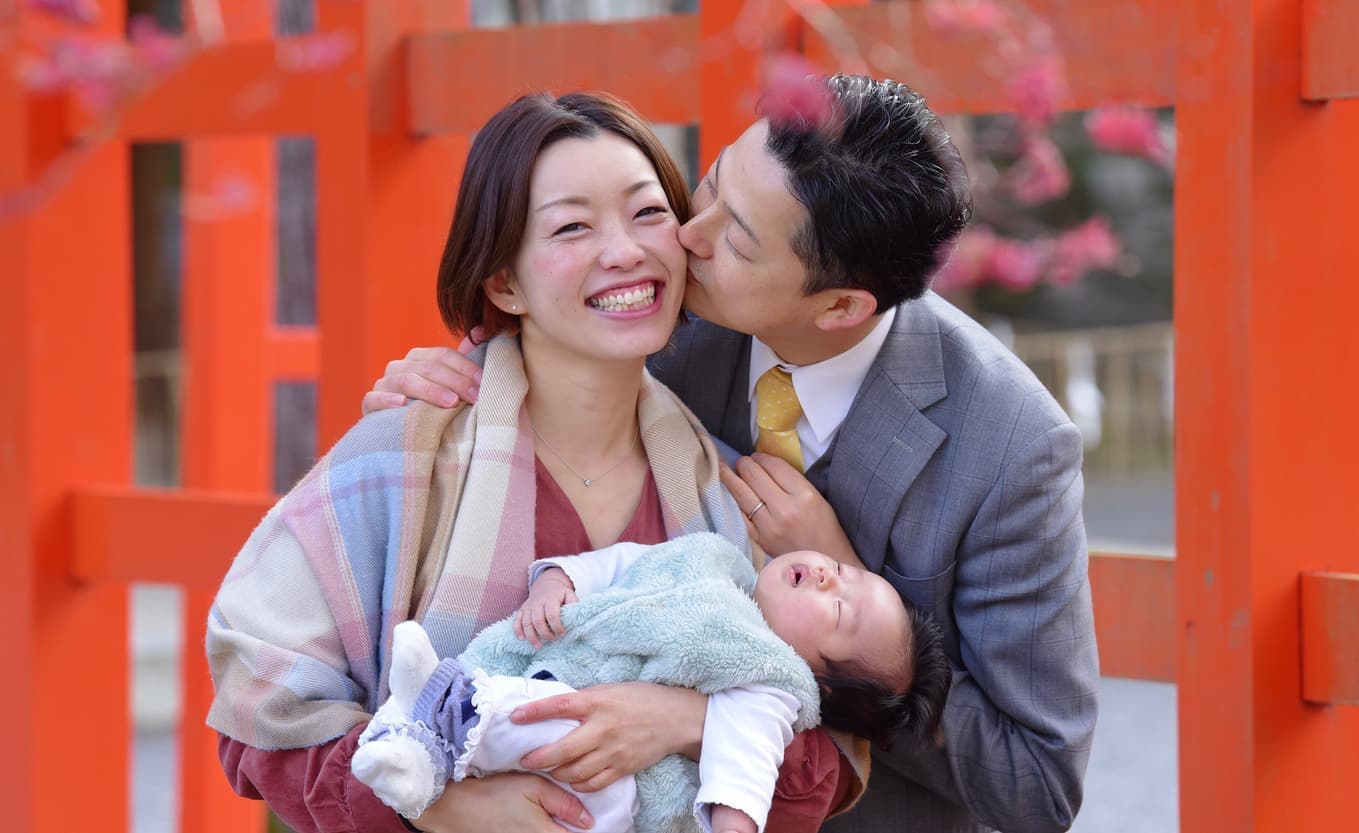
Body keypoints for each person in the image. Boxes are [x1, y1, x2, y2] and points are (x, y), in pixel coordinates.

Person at [365, 74, 1101, 833]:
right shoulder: (664, 312)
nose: (687, 235)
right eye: (708, 185)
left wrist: (850, 600)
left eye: (737, 239)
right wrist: (450, 384)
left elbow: (1035, 784)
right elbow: (535, 337)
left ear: (841, 306)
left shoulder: (1013, 446)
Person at [206, 92, 860, 833]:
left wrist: (691, 720)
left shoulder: (727, 494)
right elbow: (258, 715)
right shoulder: (403, 460)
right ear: (503, 281)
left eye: (648, 213)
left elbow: (827, 759)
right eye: (573, 226)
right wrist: (438, 805)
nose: (624, 251)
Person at [352, 533, 951, 833]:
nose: (827, 577)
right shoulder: (712, 556)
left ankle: (435, 715)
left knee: (549, 715)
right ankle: (420, 737)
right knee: (529, 701)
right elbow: (620, 562)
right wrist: (556, 581)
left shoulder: (770, 679)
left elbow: (744, 763)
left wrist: (735, 825)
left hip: (601, 782)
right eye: (843, 570)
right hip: (555, 677)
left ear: (818, 678)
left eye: (840, 611)